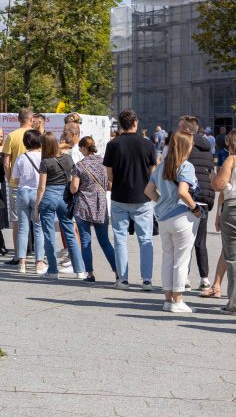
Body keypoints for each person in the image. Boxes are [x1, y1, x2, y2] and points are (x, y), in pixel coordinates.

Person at [144, 131, 201, 313]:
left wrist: (161, 201)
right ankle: (178, 300)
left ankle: (168, 299)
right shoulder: (186, 166)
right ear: (186, 147)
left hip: (163, 217)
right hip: (181, 216)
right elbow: (182, 192)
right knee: (181, 260)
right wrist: (195, 208)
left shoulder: (161, 167)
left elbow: (148, 191)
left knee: (168, 257)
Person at [104, 109, 157, 290]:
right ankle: (147, 280)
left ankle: (123, 279)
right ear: (135, 123)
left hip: (119, 196)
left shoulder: (113, 145)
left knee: (120, 238)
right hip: (143, 197)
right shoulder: (148, 144)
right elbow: (153, 174)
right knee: (146, 239)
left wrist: (117, 181)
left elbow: (109, 174)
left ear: (120, 124)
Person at [174, 116, 215, 292]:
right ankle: (205, 279)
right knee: (201, 241)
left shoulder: (185, 147)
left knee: (185, 240)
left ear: (186, 130)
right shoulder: (208, 147)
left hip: (189, 197)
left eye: (179, 127)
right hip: (205, 199)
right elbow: (210, 173)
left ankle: (185, 278)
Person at [34, 131, 83, 279]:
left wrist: (36, 206)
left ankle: (53, 271)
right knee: (70, 233)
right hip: (64, 196)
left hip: (48, 195)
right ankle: (79, 269)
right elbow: (75, 176)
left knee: (49, 234)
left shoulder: (45, 162)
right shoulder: (68, 159)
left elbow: (41, 187)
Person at [70, 137, 116, 283]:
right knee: (105, 241)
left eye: (80, 149)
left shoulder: (79, 166)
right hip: (101, 206)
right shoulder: (104, 164)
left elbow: (74, 188)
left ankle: (90, 273)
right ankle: (118, 271)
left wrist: (72, 188)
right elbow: (110, 186)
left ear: (84, 148)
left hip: (83, 206)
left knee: (85, 241)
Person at [2, 108, 33, 265]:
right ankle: (39, 257)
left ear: (18, 119)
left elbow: (6, 162)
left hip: (17, 183)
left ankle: (18, 255)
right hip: (35, 183)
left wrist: (9, 179)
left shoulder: (11, 136)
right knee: (38, 221)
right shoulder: (37, 135)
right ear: (31, 119)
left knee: (17, 220)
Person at [12, 129, 44, 274]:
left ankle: (22, 262)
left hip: (23, 192)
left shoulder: (21, 158)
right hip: (38, 193)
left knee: (23, 229)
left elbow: (16, 179)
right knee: (38, 228)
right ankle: (39, 263)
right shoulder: (44, 157)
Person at [211, 130, 236, 315]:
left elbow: (219, 185)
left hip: (233, 208)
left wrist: (215, 179)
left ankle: (234, 303)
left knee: (233, 257)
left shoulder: (231, 160)